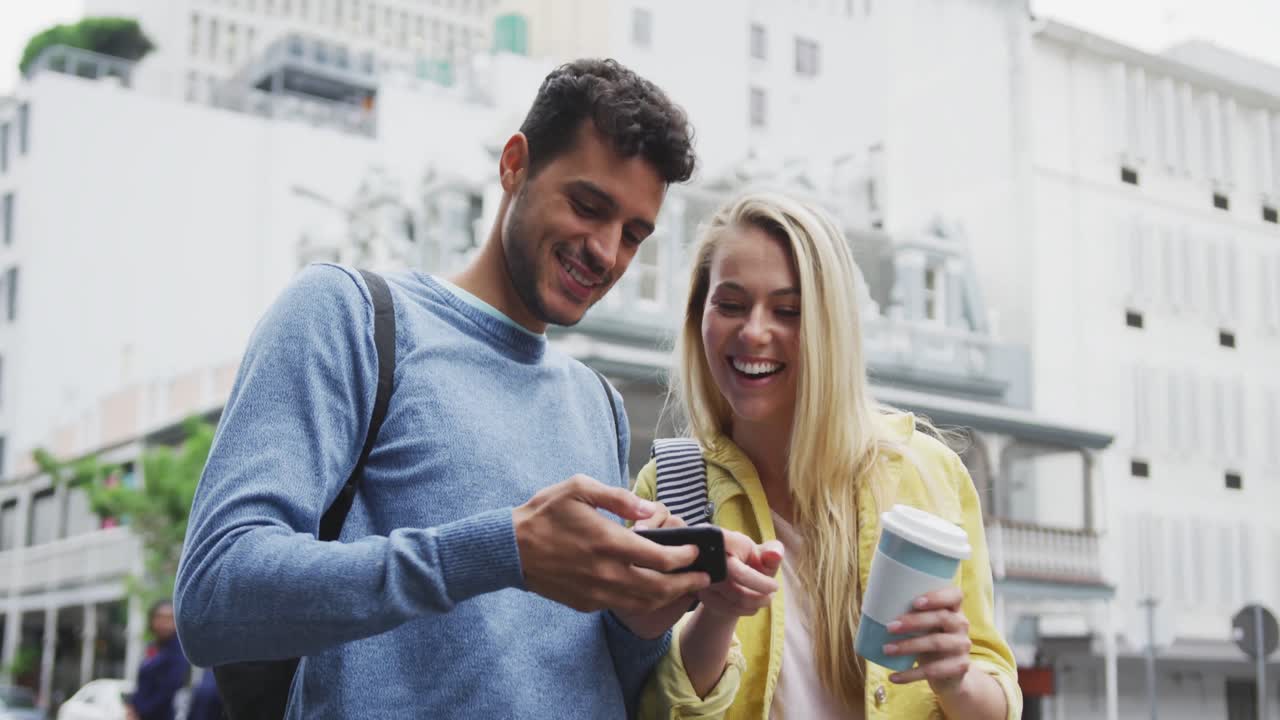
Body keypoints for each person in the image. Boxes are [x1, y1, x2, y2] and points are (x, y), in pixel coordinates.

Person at [174, 58, 724, 718]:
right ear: (514, 165)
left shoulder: (598, 403)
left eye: (633, 235)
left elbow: (596, 676)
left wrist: (642, 619)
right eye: (588, 207)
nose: (607, 252)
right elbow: (215, 593)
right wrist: (500, 551)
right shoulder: (349, 315)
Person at [634, 193, 1023, 718]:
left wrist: (956, 679)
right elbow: (648, 706)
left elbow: (996, 695)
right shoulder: (670, 488)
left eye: (788, 311)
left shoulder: (928, 475)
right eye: (730, 304)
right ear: (698, 315)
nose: (753, 332)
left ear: (831, 327)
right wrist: (717, 616)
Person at [126, 600, 189, 720]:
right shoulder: (152, 646)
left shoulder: (180, 650)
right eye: (159, 617)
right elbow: (142, 684)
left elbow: (169, 689)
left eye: (169, 618)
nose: (164, 622)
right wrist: (132, 706)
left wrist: (140, 713)